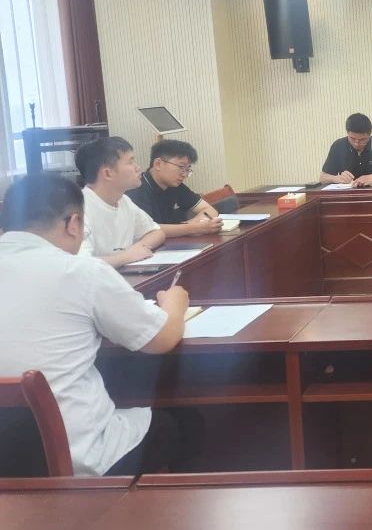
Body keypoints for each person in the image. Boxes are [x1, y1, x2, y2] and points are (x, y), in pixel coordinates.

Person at [0, 173, 191, 476]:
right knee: (183, 425)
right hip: (72, 460)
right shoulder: (80, 271)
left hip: (9, 466)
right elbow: (161, 339)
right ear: (73, 223)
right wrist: (175, 305)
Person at [75, 136, 165, 267]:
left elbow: (156, 232)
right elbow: (81, 265)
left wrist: (139, 248)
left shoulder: (123, 201)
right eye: (130, 162)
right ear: (108, 173)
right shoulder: (79, 209)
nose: (137, 167)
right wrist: (127, 256)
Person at [126, 139, 223, 237]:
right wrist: (194, 228)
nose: (184, 174)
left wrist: (191, 225)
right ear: (158, 164)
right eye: (181, 167)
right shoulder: (137, 189)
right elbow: (148, 229)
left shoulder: (175, 186)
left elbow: (210, 210)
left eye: (187, 169)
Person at [320, 113, 372, 187]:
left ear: (370, 134)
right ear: (347, 133)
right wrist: (336, 178)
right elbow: (322, 177)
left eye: (362, 140)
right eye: (352, 138)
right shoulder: (338, 146)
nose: (356, 143)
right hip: (348, 195)